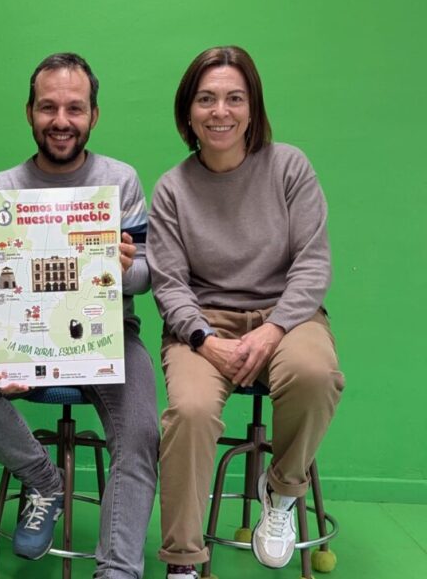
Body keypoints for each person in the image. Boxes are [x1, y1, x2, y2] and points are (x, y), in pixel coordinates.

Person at [0, 52, 159, 579]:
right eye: (48, 107)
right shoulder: (5, 187)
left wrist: (124, 267)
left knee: (139, 435)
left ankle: (117, 571)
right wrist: (11, 343)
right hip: (30, 336)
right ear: (29, 112)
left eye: (75, 107)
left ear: (94, 114)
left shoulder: (122, 179)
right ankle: (44, 480)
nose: (61, 121)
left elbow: (148, 276)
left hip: (110, 336)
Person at [147, 45, 345, 579]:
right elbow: (169, 283)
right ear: (188, 111)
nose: (221, 111)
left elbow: (312, 262)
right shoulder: (170, 189)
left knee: (315, 373)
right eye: (207, 99)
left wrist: (274, 328)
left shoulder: (289, 167)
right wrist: (204, 339)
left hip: (288, 315)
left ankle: (280, 496)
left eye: (234, 98)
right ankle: (183, 561)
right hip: (202, 326)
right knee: (188, 412)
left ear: (252, 108)